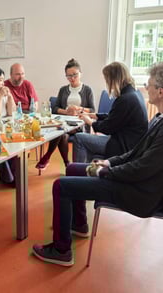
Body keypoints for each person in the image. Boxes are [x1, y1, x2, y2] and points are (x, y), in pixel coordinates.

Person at [31, 62, 163, 267]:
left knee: (60, 186)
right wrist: (109, 161)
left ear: (160, 91)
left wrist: (107, 171)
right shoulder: (158, 118)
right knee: (72, 168)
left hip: (137, 191)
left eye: (150, 84)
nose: (146, 87)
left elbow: (142, 168)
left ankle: (61, 250)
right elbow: (136, 154)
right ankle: (79, 223)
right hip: (131, 179)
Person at [72, 62, 148, 163]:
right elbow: (116, 117)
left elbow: (108, 127)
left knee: (79, 138)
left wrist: (90, 121)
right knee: (87, 141)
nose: (107, 83)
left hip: (123, 145)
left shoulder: (125, 99)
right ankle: (90, 171)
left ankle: (78, 171)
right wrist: (93, 115)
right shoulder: (134, 94)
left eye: (107, 79)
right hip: (131, 142)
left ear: (114, 79)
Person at [36, 58, 95, 169]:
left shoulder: (87, 90)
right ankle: (67, 163)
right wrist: (66, 112)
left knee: (60, 130)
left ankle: (47, 156)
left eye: (74, 75)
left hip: (80, 124)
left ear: (80, 73)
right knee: (62, 134)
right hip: (65, 122)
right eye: (68, 76)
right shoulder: (63, 90)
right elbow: (55, 108)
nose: (72, 78)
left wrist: (79, 109)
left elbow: (92, 110)